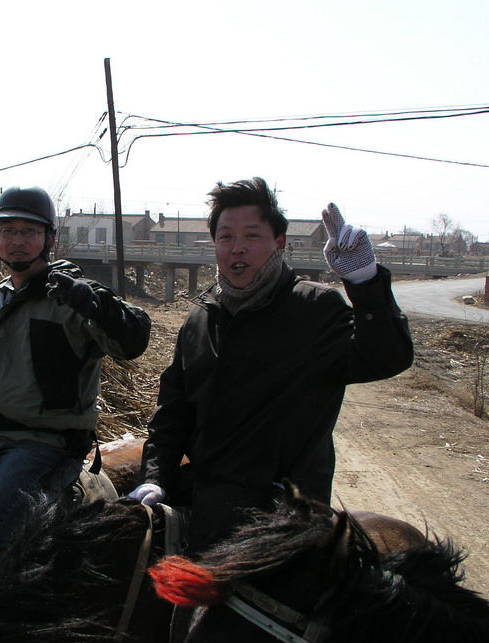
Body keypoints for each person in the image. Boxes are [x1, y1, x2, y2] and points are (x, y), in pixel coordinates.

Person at [129, 177, 414, 552]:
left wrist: (365, 280)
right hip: (203, 496)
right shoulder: (201, 317)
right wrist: (155, 477)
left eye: (252, 236)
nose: (237, 249)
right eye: (226, 237)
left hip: (282, 515)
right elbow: (173, 412)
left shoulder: (313, 310)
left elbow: (387, 357)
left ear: (279, 243)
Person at [0, 185, 151, 583]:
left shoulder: (70, 296)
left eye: (29, 232)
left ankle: (12, 631)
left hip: (41, 445)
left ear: (49, 239)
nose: (17, 241)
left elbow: (133, 340)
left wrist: (95, 302)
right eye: (7, 231)